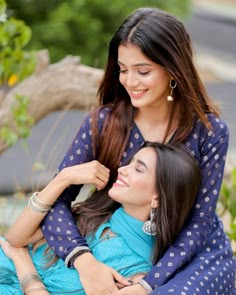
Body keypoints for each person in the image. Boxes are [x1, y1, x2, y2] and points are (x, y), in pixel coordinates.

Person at [6, 6, 236, 295]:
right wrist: (83, 259)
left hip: (190, 254)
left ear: (173, 69)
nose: (129, 81)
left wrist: (146, 285)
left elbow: (199, 222)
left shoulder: (209, 131)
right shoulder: (104, 122)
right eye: (123, 69)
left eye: (143, 71)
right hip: (114, 244)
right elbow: (57, 202)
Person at [1, 143, 201, 294]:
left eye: (138, 169)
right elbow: (16, 238)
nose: (123, 169)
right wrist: (64, 178)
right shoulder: (99, 212)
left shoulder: (135, 272)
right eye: (130, 163)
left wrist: (21, 260)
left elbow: (17, 249)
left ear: (158, 197)